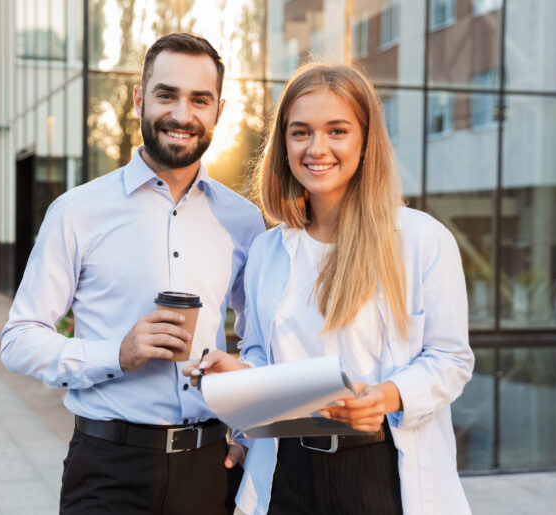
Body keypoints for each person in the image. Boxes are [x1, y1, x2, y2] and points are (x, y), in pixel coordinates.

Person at [184, 63, 474, 514]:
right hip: (286, 471)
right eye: (301, 133)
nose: (317, 148)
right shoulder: (267, 250)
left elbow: (451, 360)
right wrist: (239, 372)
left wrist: (387, 396)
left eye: (336, 130)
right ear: (284, 144)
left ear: (365, 140)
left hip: (381, 470)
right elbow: (263, 356)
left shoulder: (421, 239)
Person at [0, 33, 264, 515]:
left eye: (199, 100)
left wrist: (248, 435)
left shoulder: (244, 221)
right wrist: (115, 354)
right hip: (107, 469)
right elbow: (19, 338)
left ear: (218, 111)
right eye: (167, 95)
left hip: (210, 470)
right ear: (140, 100)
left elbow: (260, 343)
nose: (182, 115)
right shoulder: (77, 211)